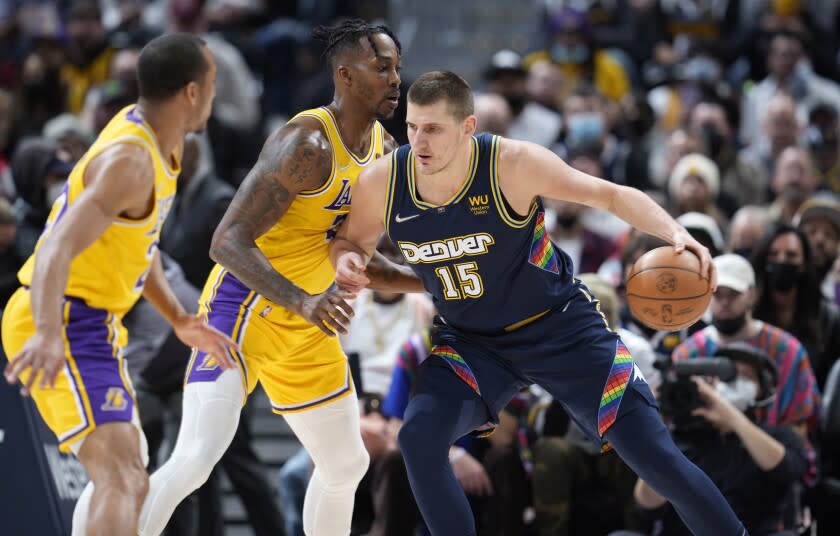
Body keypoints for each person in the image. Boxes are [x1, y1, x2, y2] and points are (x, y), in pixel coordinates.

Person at [331, 70, 746, 536]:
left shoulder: (512, 163)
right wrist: (347, 261)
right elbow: (350, 243)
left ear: (468, 127)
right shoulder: (385, 181)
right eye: (412, 126)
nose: (419, 141)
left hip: (560, 328)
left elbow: (608, 195)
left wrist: (676, 233)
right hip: (473, 343)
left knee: (657, 459)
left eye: (433, 129)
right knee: (417, 437)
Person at [138, 20, 421, 536]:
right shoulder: (307, 142)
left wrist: (430, 282)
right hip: (243, 310)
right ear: (346, 76)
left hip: (306, 321)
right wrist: (304, 301)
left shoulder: (382, 149)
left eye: (397, 68)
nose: (395, 79)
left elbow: (358, 255)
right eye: (382, 67)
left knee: (345, 464)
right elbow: (226, 240)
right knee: (197, 458)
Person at [1, 33, 234, 536]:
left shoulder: (157, 145)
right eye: (212, 85)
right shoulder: (131, 160)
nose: (215, 97)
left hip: (93, 321)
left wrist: (178, 319)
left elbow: (138, 247)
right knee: (122, 476)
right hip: (64, 316)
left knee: (131, 472)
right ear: (191, 93)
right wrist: (45, 332)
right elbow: (56, 247)